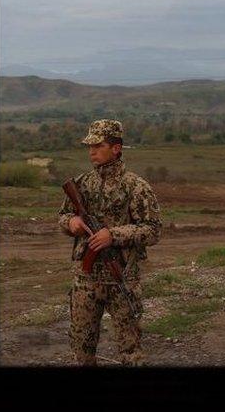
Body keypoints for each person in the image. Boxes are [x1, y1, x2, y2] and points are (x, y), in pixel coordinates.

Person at [58, 119, 162, 366]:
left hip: (123, 278)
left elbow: (154, 230)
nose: (91, 151)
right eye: (89, 146)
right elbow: (62, 216)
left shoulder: (136, 187)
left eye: (98, 145)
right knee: (80, 352)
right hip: (86, 280)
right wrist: (71, 223)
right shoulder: (82, 184)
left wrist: (112, 235)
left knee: (130, 352)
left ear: (116, 148)